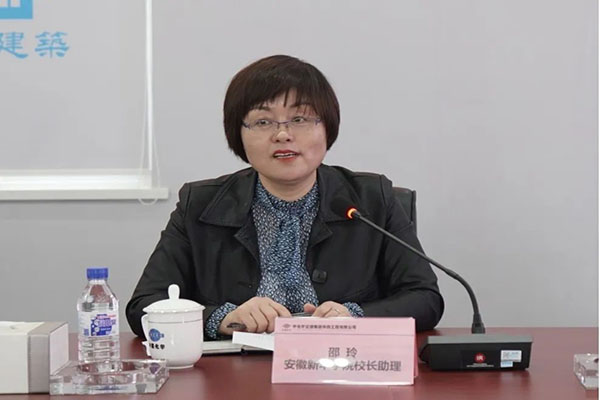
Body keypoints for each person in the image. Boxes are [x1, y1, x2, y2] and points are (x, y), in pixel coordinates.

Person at [126, 55, 444, 339]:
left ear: (327, 127)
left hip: (339, 366)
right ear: (238, 134)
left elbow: (425, 299)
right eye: (263, 122)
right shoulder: (201, 205)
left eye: (300, 119)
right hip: (236, 373)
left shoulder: (371, 199)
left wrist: (353, 317)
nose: (282, 134)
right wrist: (222, 318)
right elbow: (144, 306)